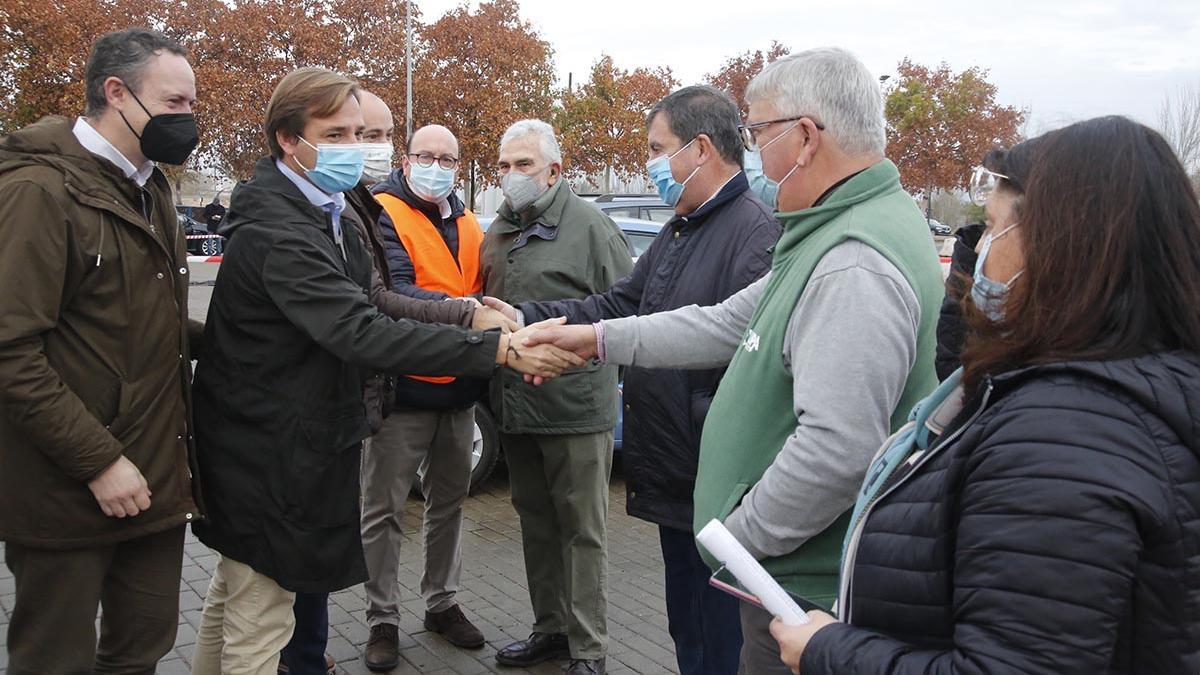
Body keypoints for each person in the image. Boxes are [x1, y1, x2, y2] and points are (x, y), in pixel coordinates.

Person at [522, 48, 945, 674]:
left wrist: (740, 537)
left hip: (798, 585)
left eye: (757, 132)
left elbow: (838, 445)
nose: (750, 150)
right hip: (782, 570)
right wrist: (597, 339)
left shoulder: (853, 259)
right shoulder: (832, 230)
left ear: (803, 137)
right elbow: (723, 321)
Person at [768, 116, 1200, 675]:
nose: (978, 252)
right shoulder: (1134, 383)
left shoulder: (1063, 435)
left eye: (991, 227)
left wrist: (830, 652)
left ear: (1060, 247)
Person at [188, 68, 578, 675]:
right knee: (259, 620)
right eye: (338, 133)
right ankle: (380, 622)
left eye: (362, 133)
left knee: (237, 598)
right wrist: (496, 352)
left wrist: (467, 316)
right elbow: (360, 330)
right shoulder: (283, 228)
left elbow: (371, 300)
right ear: (289, 139)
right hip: (268, 448)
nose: (355, 147)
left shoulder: (326, 210)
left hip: (290, 439)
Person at [485, 86, 780, 675]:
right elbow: (617, 304)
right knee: (687, 626)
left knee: (721, 635)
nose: (650, 164)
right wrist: (523, 319)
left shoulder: (754, 233)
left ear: (699, 150)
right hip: (676, 468)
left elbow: (742, 357)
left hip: (715, 474)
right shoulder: (681, 229)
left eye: (656, 149)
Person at [0, 28, 201, 674]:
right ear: (116, 93)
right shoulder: (38, 191)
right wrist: (99, 461)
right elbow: (9, 350)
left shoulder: (152, 189)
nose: (188, 120)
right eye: (174, 102)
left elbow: (148, 325)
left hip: (154, 489)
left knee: (140, 651)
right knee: (54, 660)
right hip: (67, 492)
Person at [483, 119, 633, 675]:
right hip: (517, 406)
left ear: (554, 170)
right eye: (504, 165)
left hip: (576, 410)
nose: (511, 175)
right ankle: (549, 629)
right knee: (535, 522)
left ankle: (588, 647)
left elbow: (625, 312)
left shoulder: (593, 228)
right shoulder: (497, 231)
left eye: (523, 165)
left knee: (583, 531)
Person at [359, 122, 497, 670]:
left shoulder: (468, 221)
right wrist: (468, 311)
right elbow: (391, 294)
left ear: (458, 167)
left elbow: (484, 287)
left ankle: (442, 602)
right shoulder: (382, 212)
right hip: (402, 389)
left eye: (446, 158)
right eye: (425, 155)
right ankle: (382, 618)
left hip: (459, 390)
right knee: (383, 509)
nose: (435, 165)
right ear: (406, 158)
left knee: (450, 504)